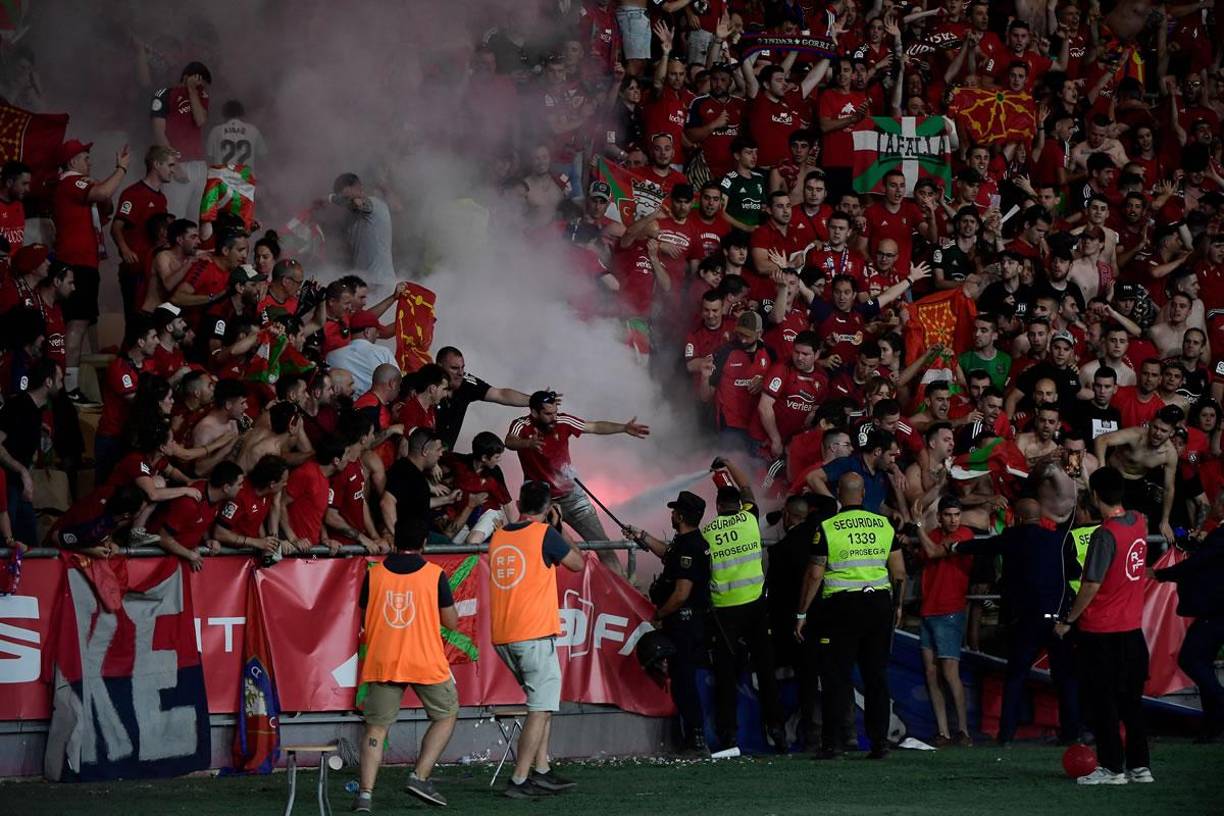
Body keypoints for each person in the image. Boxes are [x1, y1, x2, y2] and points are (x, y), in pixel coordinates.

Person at [953, 464, 1082, 745]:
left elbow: (984, 546)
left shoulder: (1014, 537)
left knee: (1016, 677)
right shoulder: (1060, 540)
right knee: (1065, 679)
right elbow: (1074, 572)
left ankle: (1006, 735)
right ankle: (1073, 734)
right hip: (1059, 618)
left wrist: (956, 547)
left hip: (1027, 619)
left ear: (1020, 519)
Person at [795, 471, 905, 759]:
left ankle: (832, 744)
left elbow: (815, 573)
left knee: (836, 676)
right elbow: (900, 572)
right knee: (876, 676)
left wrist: (801, 612)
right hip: (879, 604)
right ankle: (880, 743)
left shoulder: (827, 527)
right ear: (863, 495)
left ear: (839, 494)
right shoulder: (883, 525)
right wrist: (899, 607)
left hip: (842, 609)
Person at [1054, 467, 1153, 786]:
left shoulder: (1104, 535)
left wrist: (1068, 620)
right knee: (1131, 703)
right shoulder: (1139, 521)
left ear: (1095, 497)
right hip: (1133, 632)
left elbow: (1091, 585)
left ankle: (1112, 769)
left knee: (1103, 703)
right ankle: (1140, 767)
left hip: (1102, 634)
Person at [354, 516, 459, 810]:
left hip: (384, 660)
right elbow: (451, 623)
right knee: (447, 714)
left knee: (376, 728)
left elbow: (364, 619)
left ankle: (364, 795)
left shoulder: (374, 575)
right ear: (424, 543)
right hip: (425, 659)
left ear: (393, 541)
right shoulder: (435, 574)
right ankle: (419, 776)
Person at [488, 480, 583, 799]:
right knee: (540, 707)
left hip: (504, 635)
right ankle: (519, 779)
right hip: (532, 634)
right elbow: (577, 563)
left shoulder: (500, 535)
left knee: (542, 702)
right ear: (547, 508)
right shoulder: (545, 534)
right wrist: (559, 527)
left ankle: (541, 770)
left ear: (518, 502)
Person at [505, 390, 648, 572]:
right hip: (539, 501)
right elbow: (509, 441)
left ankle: (621, 593)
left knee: (603, 546)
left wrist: (623, 428)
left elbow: (594, 427)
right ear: (534, 413)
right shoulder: (521, 425)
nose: (554, 417)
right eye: (548, 414)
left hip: (572, 496)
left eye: (555, 412)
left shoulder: (564, 421)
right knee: (534, 549)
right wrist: (527, 443)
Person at [701, 457, 786, 755]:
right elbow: (747, 486)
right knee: (764, 669)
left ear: (717, 506)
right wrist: (727, 464)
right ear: (738, 504)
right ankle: (776, 729)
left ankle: (729, 737)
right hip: (755, 608)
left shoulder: (708, 533)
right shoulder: (750, 518)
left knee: (725, 675)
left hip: (724, 612)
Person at [622, 490, 711, 753]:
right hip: (685, 622)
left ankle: (695, 738)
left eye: (674, 511)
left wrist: (658, 615)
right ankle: (690, 736)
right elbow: (667, 553)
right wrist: (642, 536)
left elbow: (681, 593)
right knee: (680, 677)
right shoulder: (686, 542)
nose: (671, 514)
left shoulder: (690, 547)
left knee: (684, 680)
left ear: (681, 516)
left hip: (684, 623)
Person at [53, 138, 131, 404]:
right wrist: (121, 169)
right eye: (85, 157)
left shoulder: (79, 186)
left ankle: (68, 385)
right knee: (75, 324)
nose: (89, 161)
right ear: (73, 161)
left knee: (80, 323)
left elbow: (105, 204)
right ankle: (68, 388)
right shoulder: (71, 181)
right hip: (76, 264)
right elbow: (101, 193)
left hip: (85, 264)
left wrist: (104, 189)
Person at [910, 496, 974, 747]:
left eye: (956, 514)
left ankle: (963, 731)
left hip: (949, 611)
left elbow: (933, 552)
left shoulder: (965, 536)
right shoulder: (934, 534)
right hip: (929, 610)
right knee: (931, 672)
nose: (953, 519)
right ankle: (944, 732)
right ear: (940, 517)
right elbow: (922, 557)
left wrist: (917, 527)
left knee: (949, 673)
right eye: (948, 514)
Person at [1154, 527, 1224, 743]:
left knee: (1191, 659)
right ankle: (1212, 727)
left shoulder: (1220, 535)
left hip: (1216, 612)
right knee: (1202, 663)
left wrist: (1160, 574)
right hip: (1215, 612)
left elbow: (1198, 564)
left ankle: (1218, 711)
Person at [1093, 405, 1181, 542]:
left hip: (1137, 484)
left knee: (1140, 523)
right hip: (1115, 477)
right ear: (1150, 425)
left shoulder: (1169, 454)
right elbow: (1101, 440)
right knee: (1108, 519)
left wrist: (1165, 521)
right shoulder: (1136, 435)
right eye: (1155, 427)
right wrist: (1102, 468)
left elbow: (1169, 488)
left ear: (1171, 433)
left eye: (1163, 431)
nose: (1157, 433)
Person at [111, 146, 174, 340]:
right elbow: (116, 226)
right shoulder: (133, 194)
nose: (173, 170)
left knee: (155, 325)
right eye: (170, 165)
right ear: (156, 164)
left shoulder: (162, 198)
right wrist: (125, 249)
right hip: (136, 271)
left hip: (154, 273)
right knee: (136, 325)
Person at [433, 346, 534, 450]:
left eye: (462, 367)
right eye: (454, 368)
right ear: (439, 367)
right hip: (422, 454)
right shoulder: (423, 386)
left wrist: (534, 401)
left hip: (445, 456)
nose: (460, 373)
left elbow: (500, 394)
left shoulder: (467, 382)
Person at [151, 62, 211, 219]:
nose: (200, 86)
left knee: (196, 221)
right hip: (177, 163)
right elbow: (159, 132)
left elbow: (200, 121)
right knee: (175, 219)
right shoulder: (164, 94)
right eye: (197, 81)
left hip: (198, 165)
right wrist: (173, 165)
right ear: (187, 77)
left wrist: (192, 91)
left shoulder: (200, 95)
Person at [332, 172, 394, 287]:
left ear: (353, 187)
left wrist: (330, 198)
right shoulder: (355, 216)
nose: (341, 198)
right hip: (365, 281)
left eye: (342, 193)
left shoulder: (373, 204)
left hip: (378, 281)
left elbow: (359, 203)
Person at [325, 310, 396, 394]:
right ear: (367, 332)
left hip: (345, 405)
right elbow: (397, 382)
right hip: (377, 404)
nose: (377, 335)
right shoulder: (383, 352)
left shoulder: (331, 356)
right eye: (376, 332)